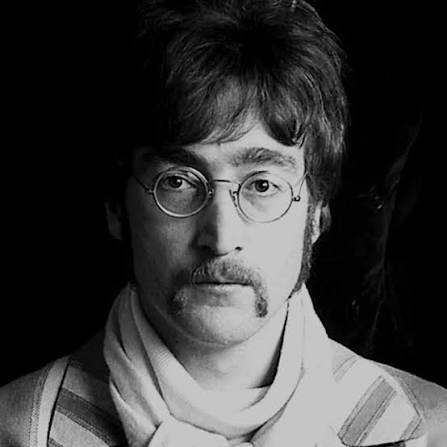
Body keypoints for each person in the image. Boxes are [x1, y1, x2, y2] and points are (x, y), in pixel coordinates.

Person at [1, 0, 446, 446]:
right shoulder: (14, 431)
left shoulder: (430, 431)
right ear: (117, 209)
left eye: (263, 185)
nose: (221, 237)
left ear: (316, 215)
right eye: (178, 182)